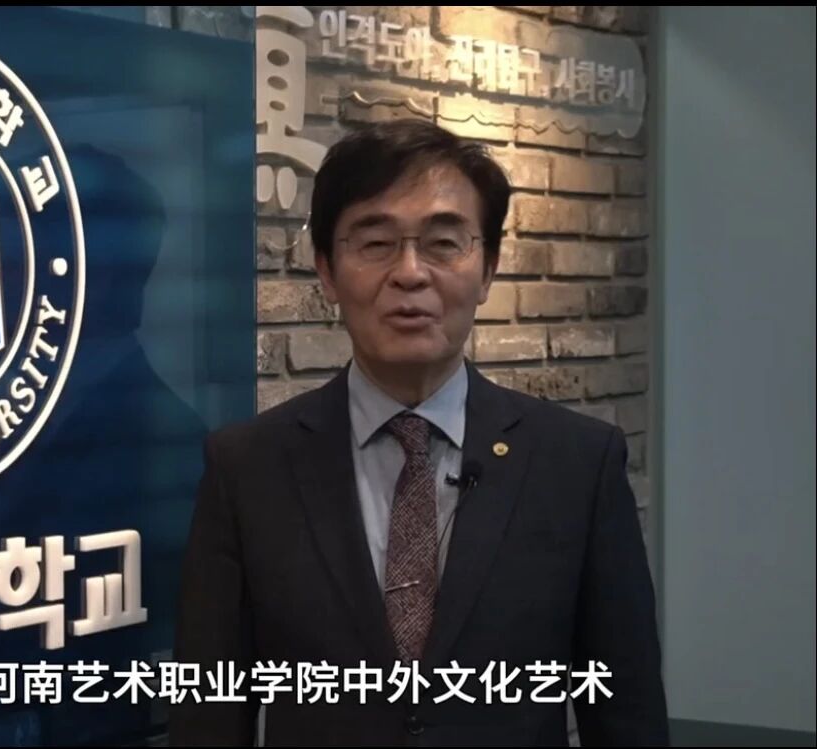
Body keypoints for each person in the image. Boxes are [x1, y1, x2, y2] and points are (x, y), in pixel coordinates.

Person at [170, 119, 669, 746]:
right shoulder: (247, 466)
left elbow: (625, 711)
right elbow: (208, 709)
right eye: (376, 243)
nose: (410, 273)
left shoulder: (577, 463)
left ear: (487, 269)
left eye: (443, 243)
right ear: (326, 271)